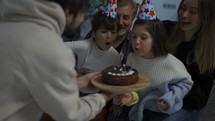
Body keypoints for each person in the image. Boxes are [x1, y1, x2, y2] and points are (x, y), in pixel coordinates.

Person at [0, 0, 114, 121]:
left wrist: (79, 82)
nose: (82, 20)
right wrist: (104, 96)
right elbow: (71, 113)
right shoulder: (51, 48)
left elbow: (27, 87)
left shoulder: (5, 28)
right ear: (68, 12)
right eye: (82, 13)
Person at [107, 0, 193, 121]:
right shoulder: (132, 58)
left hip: (162, 110)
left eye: (143, 38)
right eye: (134, 36)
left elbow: (186, 83)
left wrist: (170, 99)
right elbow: (128, 83)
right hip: (137, 106)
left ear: (156, 39)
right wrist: (123, 98)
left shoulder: (170, 62)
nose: (136, 41)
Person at [65, 2, 121, 120]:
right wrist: (72, 73)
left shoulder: (114, 56)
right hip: (76, 94)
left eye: (113, 32)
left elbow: (117, 82)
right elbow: (57, 47)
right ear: (94, 33)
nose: (109, 36)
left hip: (98, 97)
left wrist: (116, 103)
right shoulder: (83, 46)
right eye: (104, 31)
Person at [161, 0, 215, 120]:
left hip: (185, 106)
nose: (184, 14)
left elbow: (200, 100)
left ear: (206, 17)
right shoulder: (165, 29)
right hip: (156, 95)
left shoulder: (209, 52)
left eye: (193, 11)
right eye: (183, 8)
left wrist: (175, 86)